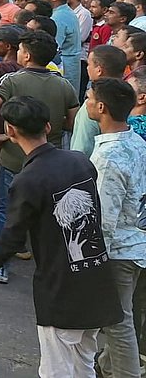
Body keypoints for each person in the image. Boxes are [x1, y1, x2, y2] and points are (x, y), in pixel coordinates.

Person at [0, 96, 123, 376]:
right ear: (48, 125)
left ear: (11, 130)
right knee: (84, 363)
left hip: (60, 287)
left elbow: (13, 237)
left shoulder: (27, 180)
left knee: (56, 369)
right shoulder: (80, 162)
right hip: (95, 278)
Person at [0, 29, 80, 284]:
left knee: (6, 211)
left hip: (14, 157)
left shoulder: (12, 80)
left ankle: (0, 266)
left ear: (26, 54)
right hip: (49, 157)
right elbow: (72, 121)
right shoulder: (63, 84)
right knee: (49, 215)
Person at [86, 77, 146, 377]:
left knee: (118, 324)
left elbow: (104, 219)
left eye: (89, 96)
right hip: (138, 244)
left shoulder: (108, 157)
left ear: (101, 107)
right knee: (125, 320)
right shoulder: (136, 141)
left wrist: (92, 262)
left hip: (119, 251)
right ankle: (107, 366)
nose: (85, 100)